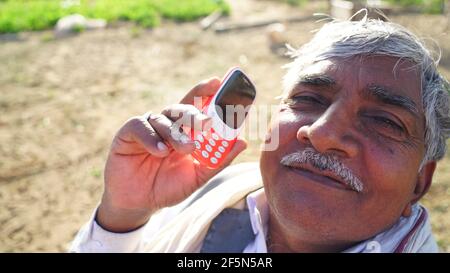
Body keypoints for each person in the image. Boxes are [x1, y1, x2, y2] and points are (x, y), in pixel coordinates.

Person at [70, 15, 450, 253]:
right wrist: (124, 213)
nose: (321, 133)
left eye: (385, 121)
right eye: (308, 98)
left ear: (420, 181)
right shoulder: (218, 196)